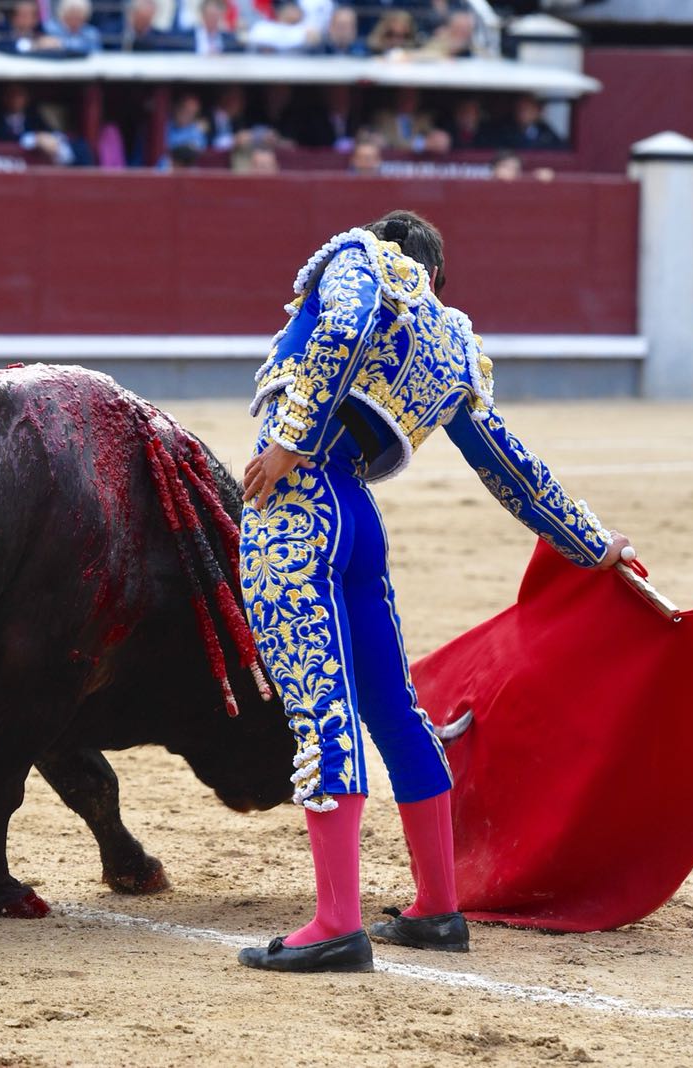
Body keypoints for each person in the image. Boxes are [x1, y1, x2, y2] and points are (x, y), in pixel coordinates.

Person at [235, 211, 630, 973]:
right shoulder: (450, 344)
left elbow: (343, 327)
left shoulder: (360, 261)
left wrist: (291, 440)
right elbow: (508, 465)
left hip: (297, 513)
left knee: (323, 709)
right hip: (357, 520)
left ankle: (336, 923)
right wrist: (593, 543)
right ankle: (437, 909)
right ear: (439, 279)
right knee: (392, 707)